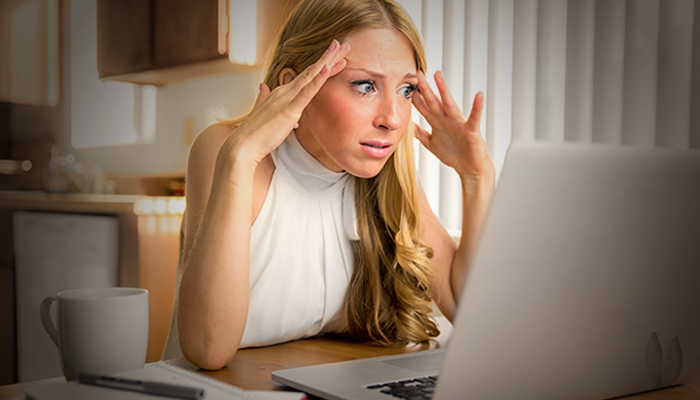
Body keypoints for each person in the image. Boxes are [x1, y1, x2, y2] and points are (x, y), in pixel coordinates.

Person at [162, 0, 495, 370]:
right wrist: (243, 153)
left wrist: (476, 178)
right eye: (365, 86)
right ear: (293, 86)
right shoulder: (230, 151)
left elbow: (466, 306)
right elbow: (208, 350)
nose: (393, 119)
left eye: (405, 90)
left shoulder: (387, 179)